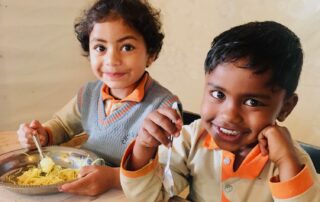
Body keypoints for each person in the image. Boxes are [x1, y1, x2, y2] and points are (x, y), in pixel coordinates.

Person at [120, 21, 320, 201]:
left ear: (286, 107)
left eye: (252, 101)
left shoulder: (293, 162)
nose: (229, 115)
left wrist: (286, 161)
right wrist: (144, 147)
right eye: (218, 95)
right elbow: (150, 197)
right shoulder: (190, 139)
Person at [17, 0, 180, 196]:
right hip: (81, 182)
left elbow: (169, 172)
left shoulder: (164, 107)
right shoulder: (89, 93)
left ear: (150, 54)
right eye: (100, 48)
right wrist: (44, 133)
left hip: (129, 193)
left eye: (127, 47)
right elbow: (62, 125)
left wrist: (112, 178)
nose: (111, 60)